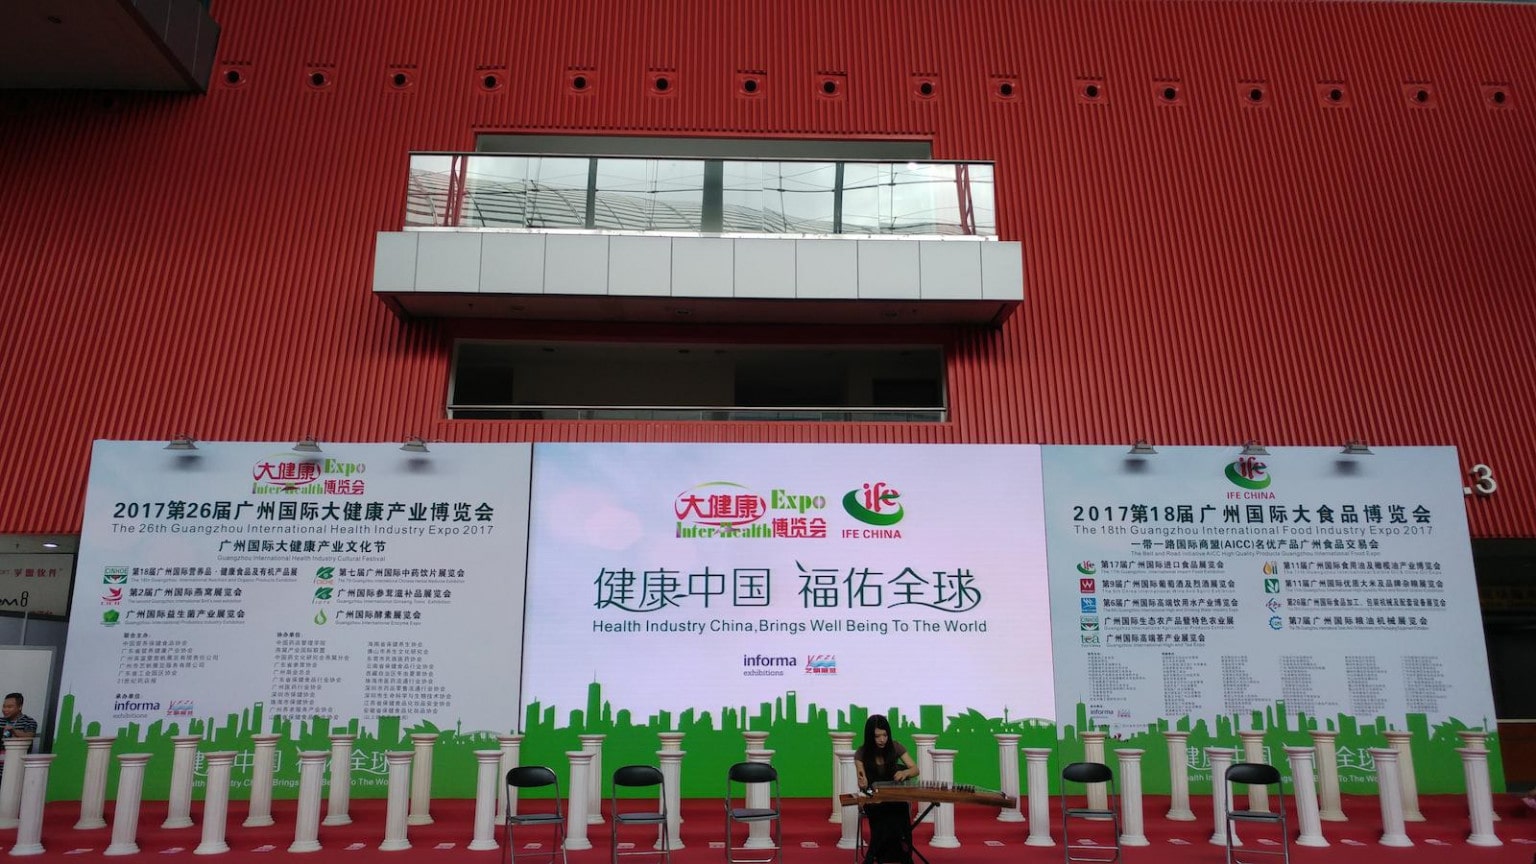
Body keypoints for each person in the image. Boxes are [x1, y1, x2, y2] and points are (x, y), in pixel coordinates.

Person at [854, 714, 919, 864]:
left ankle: (905, 856)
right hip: (872, 796)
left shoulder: (895, 747)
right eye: (877, 736)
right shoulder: (861, 753)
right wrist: (862, 782)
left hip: (893, 795)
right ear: (870, 737)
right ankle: (872, 856)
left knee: (900, 810)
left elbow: (915, 769)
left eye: (885, 735)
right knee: (882, 813)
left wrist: (905, 773)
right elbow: (862, 780)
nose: (882, 739)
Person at [0, 693, 37, 782]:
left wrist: (13, 731)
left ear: (20, 707)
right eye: (4, 706)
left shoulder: (29, 721)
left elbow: (29, 736)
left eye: (9, 707)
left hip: (17, 768)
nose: (5, 710)